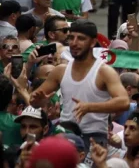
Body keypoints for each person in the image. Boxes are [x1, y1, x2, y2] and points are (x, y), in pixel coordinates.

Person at [30, 20, 130, 149]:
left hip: (94, 138)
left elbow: (124, 102)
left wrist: (90, 107)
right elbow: (33, 101)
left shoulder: (104, 71)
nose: (74, 43)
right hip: (65, 134)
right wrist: (39, 101)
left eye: (81, 39)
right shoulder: (60, 70)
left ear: (93, 42)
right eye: (71, 38)